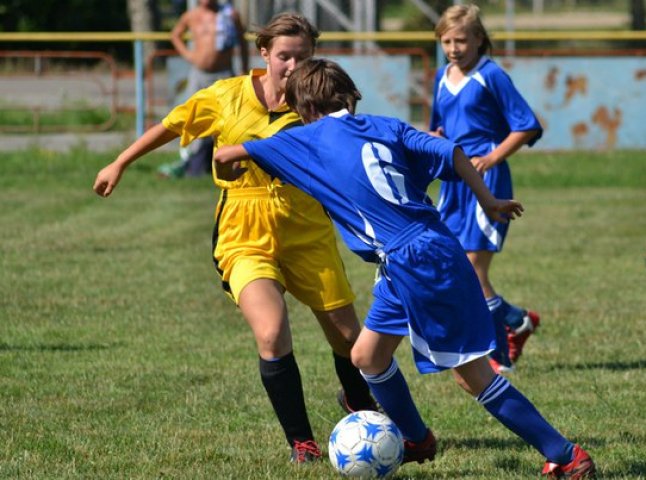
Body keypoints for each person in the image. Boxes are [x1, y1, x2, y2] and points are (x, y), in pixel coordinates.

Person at [213, 57, 597, 478]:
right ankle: (417, 438)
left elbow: (228, 153)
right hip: (415, 255)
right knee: (366, 356)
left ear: (303, 109)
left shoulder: (306, 139)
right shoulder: (385, 126)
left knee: (472, 376)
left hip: (417, 261)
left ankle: (564, 454)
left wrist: (226, 165)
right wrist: (487, 200)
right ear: (351, 96)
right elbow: (450, 150)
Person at [93, 13, 377, 464]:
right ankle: (302, 443)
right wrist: (120, 162)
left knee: (350, 342)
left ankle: (368, 418)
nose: (293, 66)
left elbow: (353, 150)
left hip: (306, 230)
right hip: (245, 231)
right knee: (272, 332)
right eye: (285, 56)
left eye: (303, 57)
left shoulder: (318, 103)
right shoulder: (226, 96)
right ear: (265, 53)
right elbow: (171, 125)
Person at [430, 4, 542, 373]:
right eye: (446, 41)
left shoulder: (491, 75)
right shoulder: (441, 76)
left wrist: (491, 158)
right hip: (454, 181)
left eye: (461, 40)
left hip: (487, 182)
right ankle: (515, 320)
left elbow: (526, 125)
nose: (453, 48)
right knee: (457, 266)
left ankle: (499, 355)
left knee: (474, 268)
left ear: (479, 39)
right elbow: (440, 128)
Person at [159, 0, 249, 178]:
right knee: (193, 117)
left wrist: (244, 69)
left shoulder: (229, 14)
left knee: (228, 118)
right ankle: (192, 161)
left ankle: (228, 160)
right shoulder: (191, 16)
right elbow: (175, 35)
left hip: (224, 74)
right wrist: (188, 55)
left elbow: (242, 41)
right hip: (199, 74)